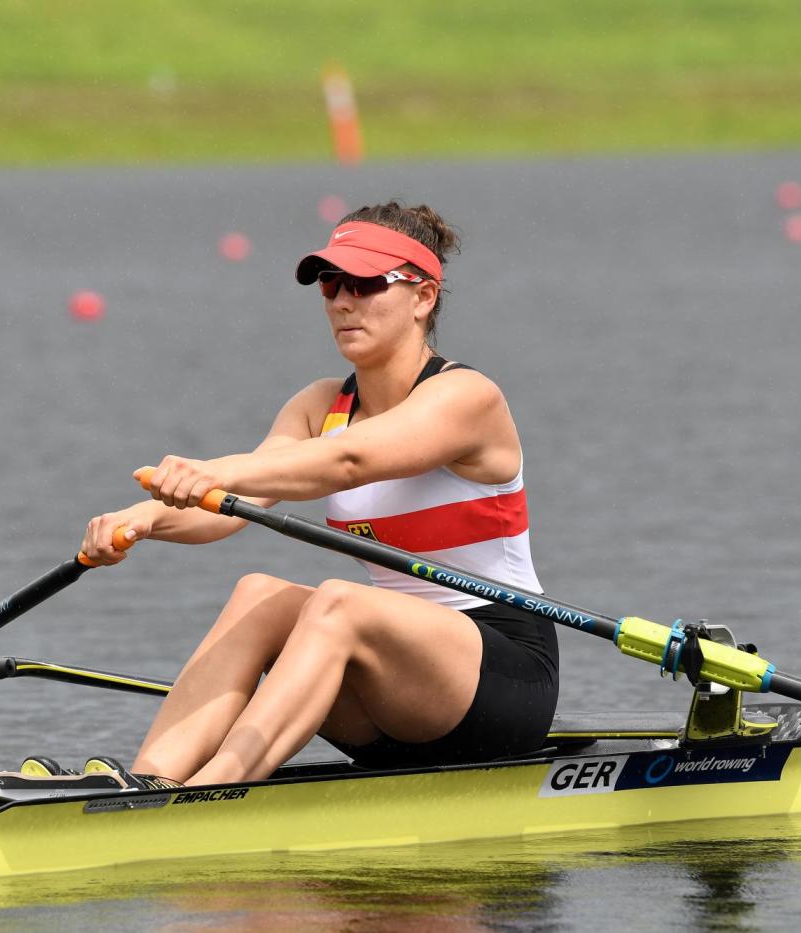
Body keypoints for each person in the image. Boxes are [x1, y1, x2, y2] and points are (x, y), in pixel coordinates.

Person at [80, 201, 557, 787]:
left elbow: (348, 460)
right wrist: (139, 519)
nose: (342, 302)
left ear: (423, 297)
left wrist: (215, 471)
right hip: (392, 693)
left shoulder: (466, 397)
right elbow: (231, 510)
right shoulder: (320, 404)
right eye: (331, 283)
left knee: (338, 601)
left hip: (501, 682)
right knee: (259, 592)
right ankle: (149, 784)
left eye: (365, 283)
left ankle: (211, 791)